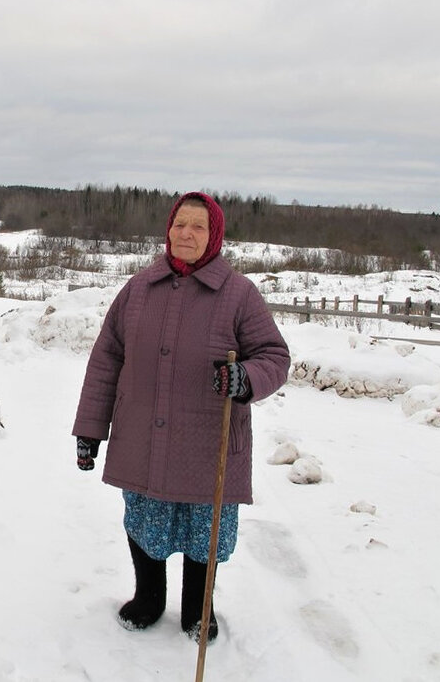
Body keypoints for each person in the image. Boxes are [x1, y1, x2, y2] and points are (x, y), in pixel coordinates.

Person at [72, 191, 290, 643]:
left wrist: (244, 377)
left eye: (198, 226)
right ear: (167, 229)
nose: (185, 234)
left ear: (214, 236)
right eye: (179, 224)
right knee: (144, 522)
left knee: (203, 533)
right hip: (143, 437)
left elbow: (274, 355)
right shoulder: (138, 289)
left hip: (206, 443)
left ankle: (198, 608)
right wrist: (91, 430)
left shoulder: (239, 294)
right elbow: (106, 359)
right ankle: (149, 598)